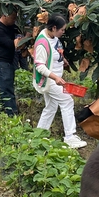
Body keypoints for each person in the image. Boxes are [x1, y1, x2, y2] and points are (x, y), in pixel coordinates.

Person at [33, 14, 86, 149]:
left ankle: (38, 135)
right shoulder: (42, 43)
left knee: (51, 107)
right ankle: (70, 137)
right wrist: (55, 77)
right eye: (62, 29)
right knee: (67, 101)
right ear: (54, 28)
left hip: (55, 79)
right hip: (49, 80)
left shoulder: (54, 37)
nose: (63, 32)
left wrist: (62, 60)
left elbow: (56, 52)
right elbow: (39, 66)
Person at [0, 10, 20, 115]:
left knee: (5, 88)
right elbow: (11, 44)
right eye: (13, 18)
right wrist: (25, 37)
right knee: (7, 90)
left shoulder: (10, 26)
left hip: (8, 62)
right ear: (5, 15)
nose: (14, 20)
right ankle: (12, 115)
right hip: (0, 64)